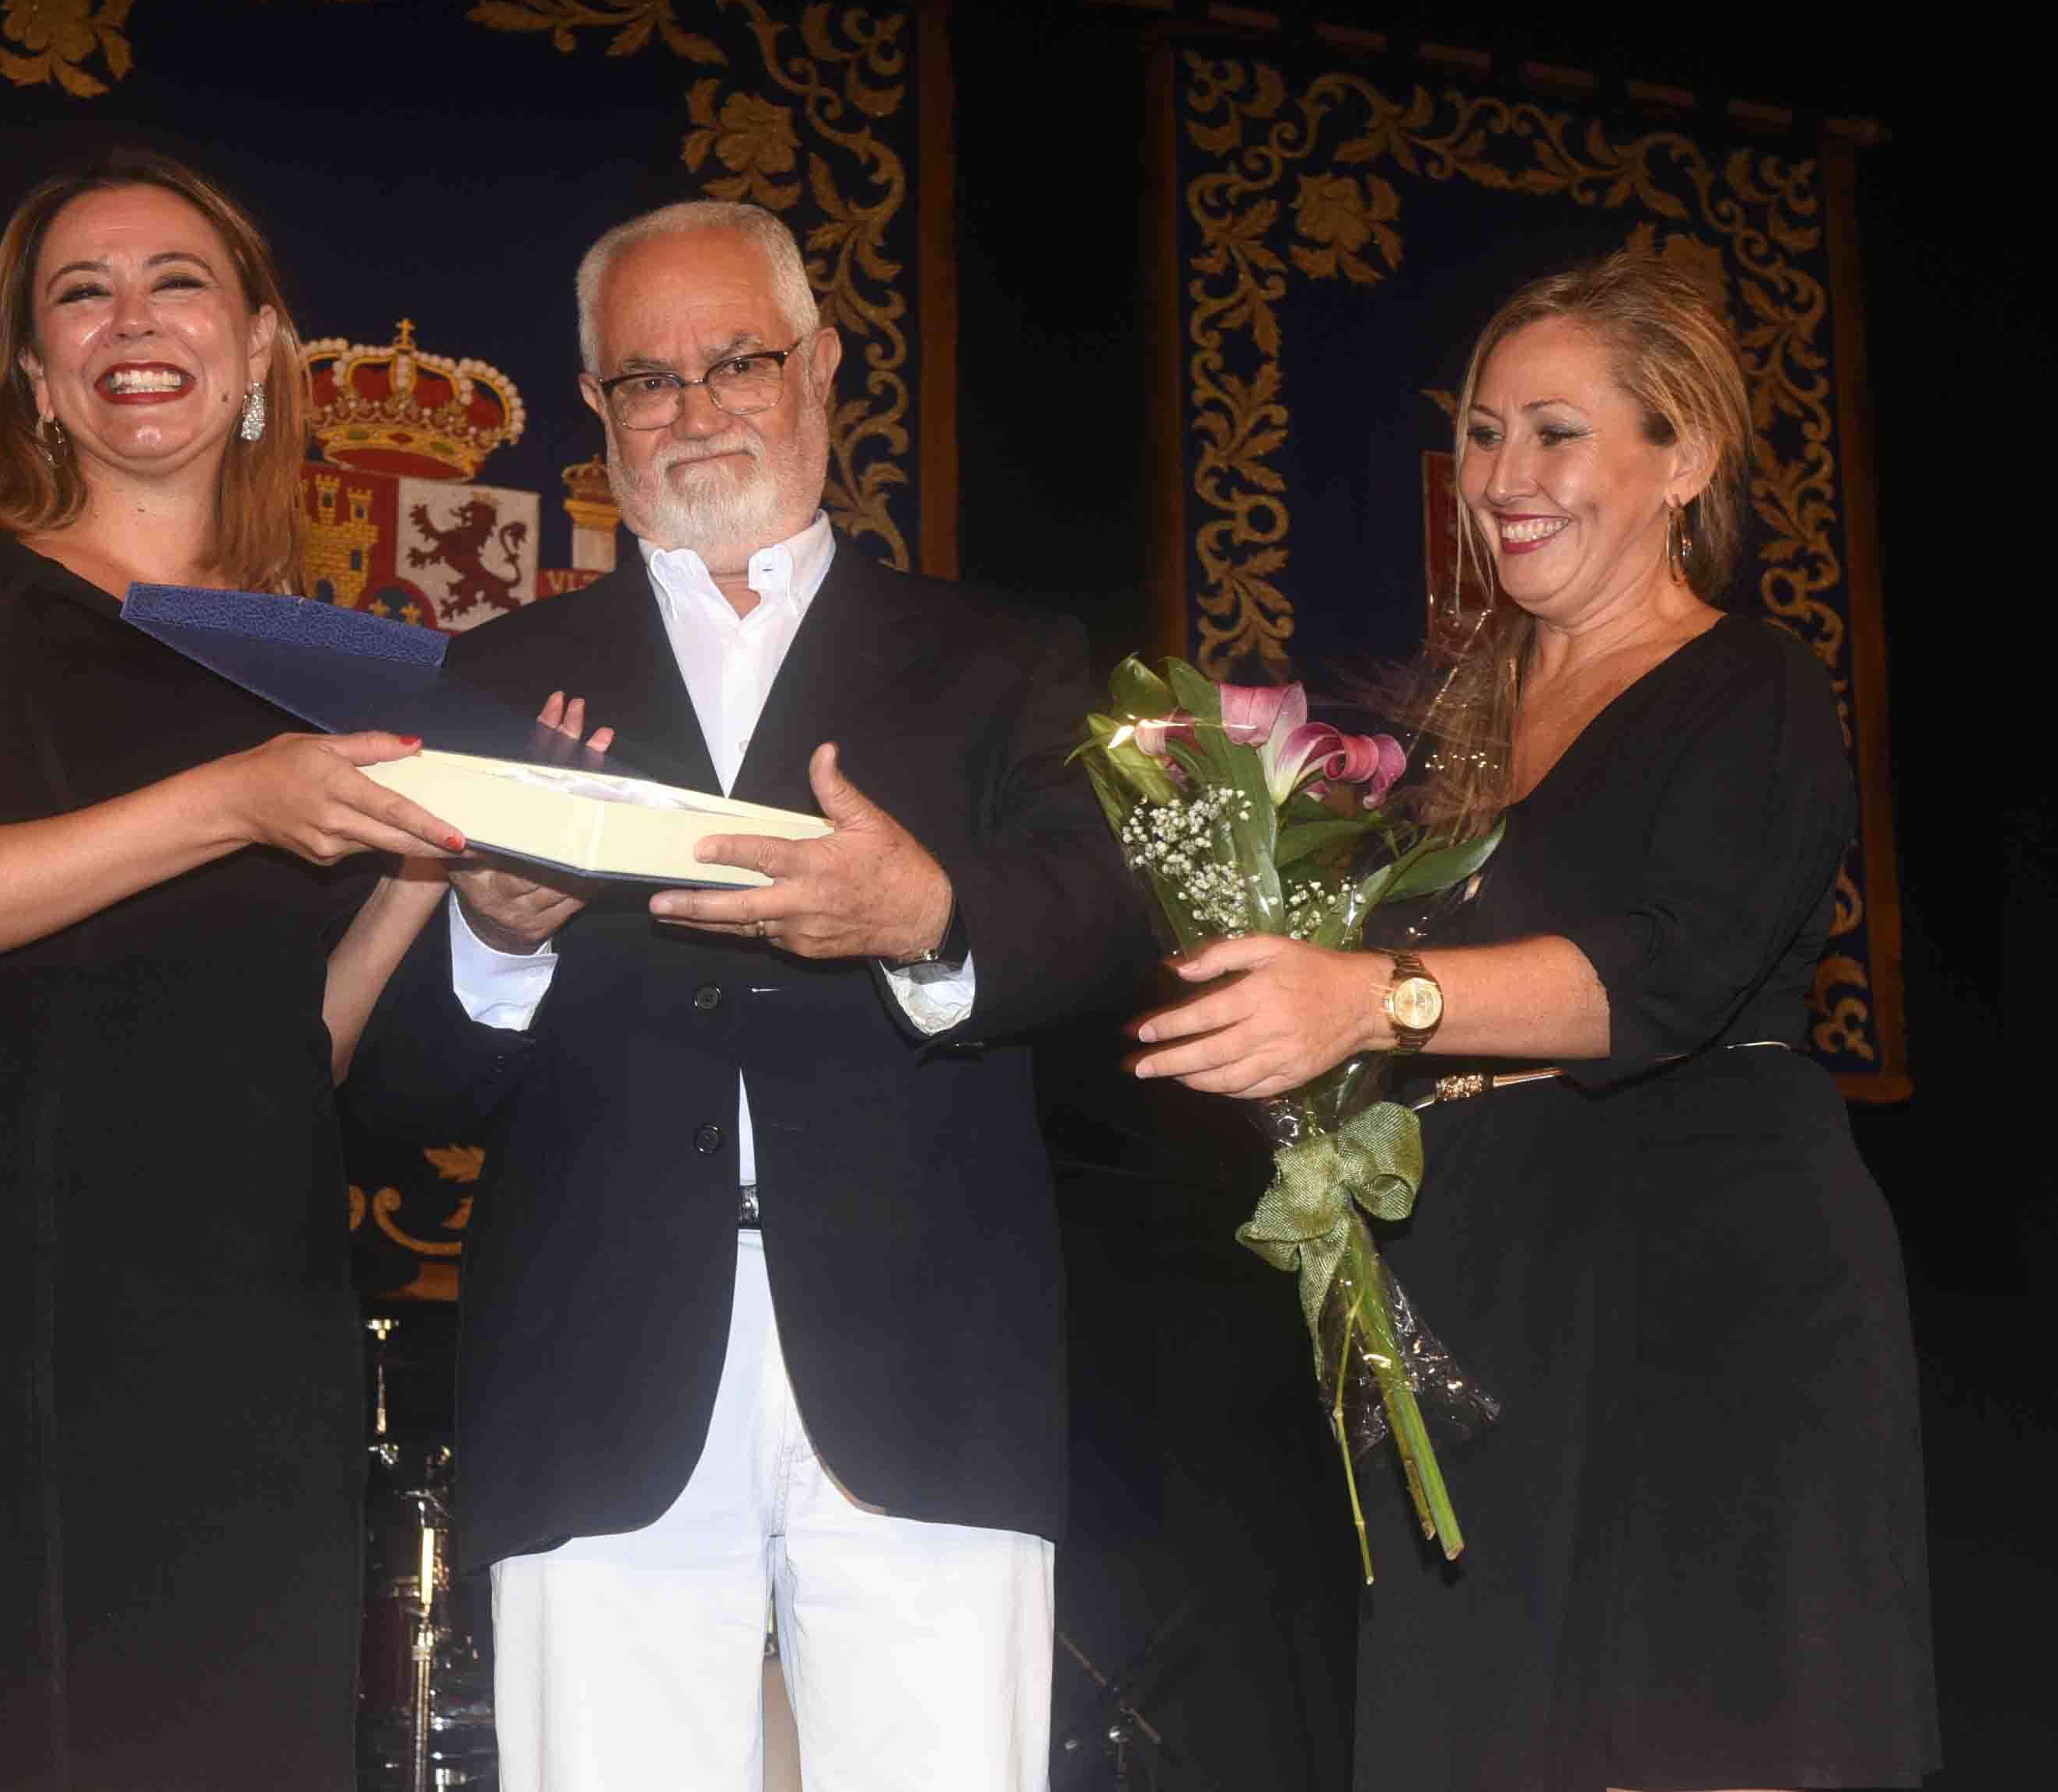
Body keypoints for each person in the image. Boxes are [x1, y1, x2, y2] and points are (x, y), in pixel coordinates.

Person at [347, 199, 1140, 1790]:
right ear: (598, 408)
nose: (696, 408)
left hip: (930, 1354)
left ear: (822, 365)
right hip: (594, 1365)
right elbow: (395, 1090)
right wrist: (497, 937)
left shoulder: (1001, 659)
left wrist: (928, 915)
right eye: (650, 379)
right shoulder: (488, 682)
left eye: (738, 362)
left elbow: (1113, 935)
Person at [1133, 250, 1938, 1791]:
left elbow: (1667, 966)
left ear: (1683, 458)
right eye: (1482, 434)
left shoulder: (1750, 683)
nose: (1503, 478)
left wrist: (1370, 997)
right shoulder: (1454, 725)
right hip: (1485, 1288)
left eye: (1556, 432)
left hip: (1703, 1286)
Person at [0, 151, 520, 1788]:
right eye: (83, 292)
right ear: (36, 367)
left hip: (259, 1303)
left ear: (258, 348)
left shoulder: (312, 651)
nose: (131, 319)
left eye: (175, 282)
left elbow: (296, 1042)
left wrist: (432, 864)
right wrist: (232, 801)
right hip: (11, 1291)